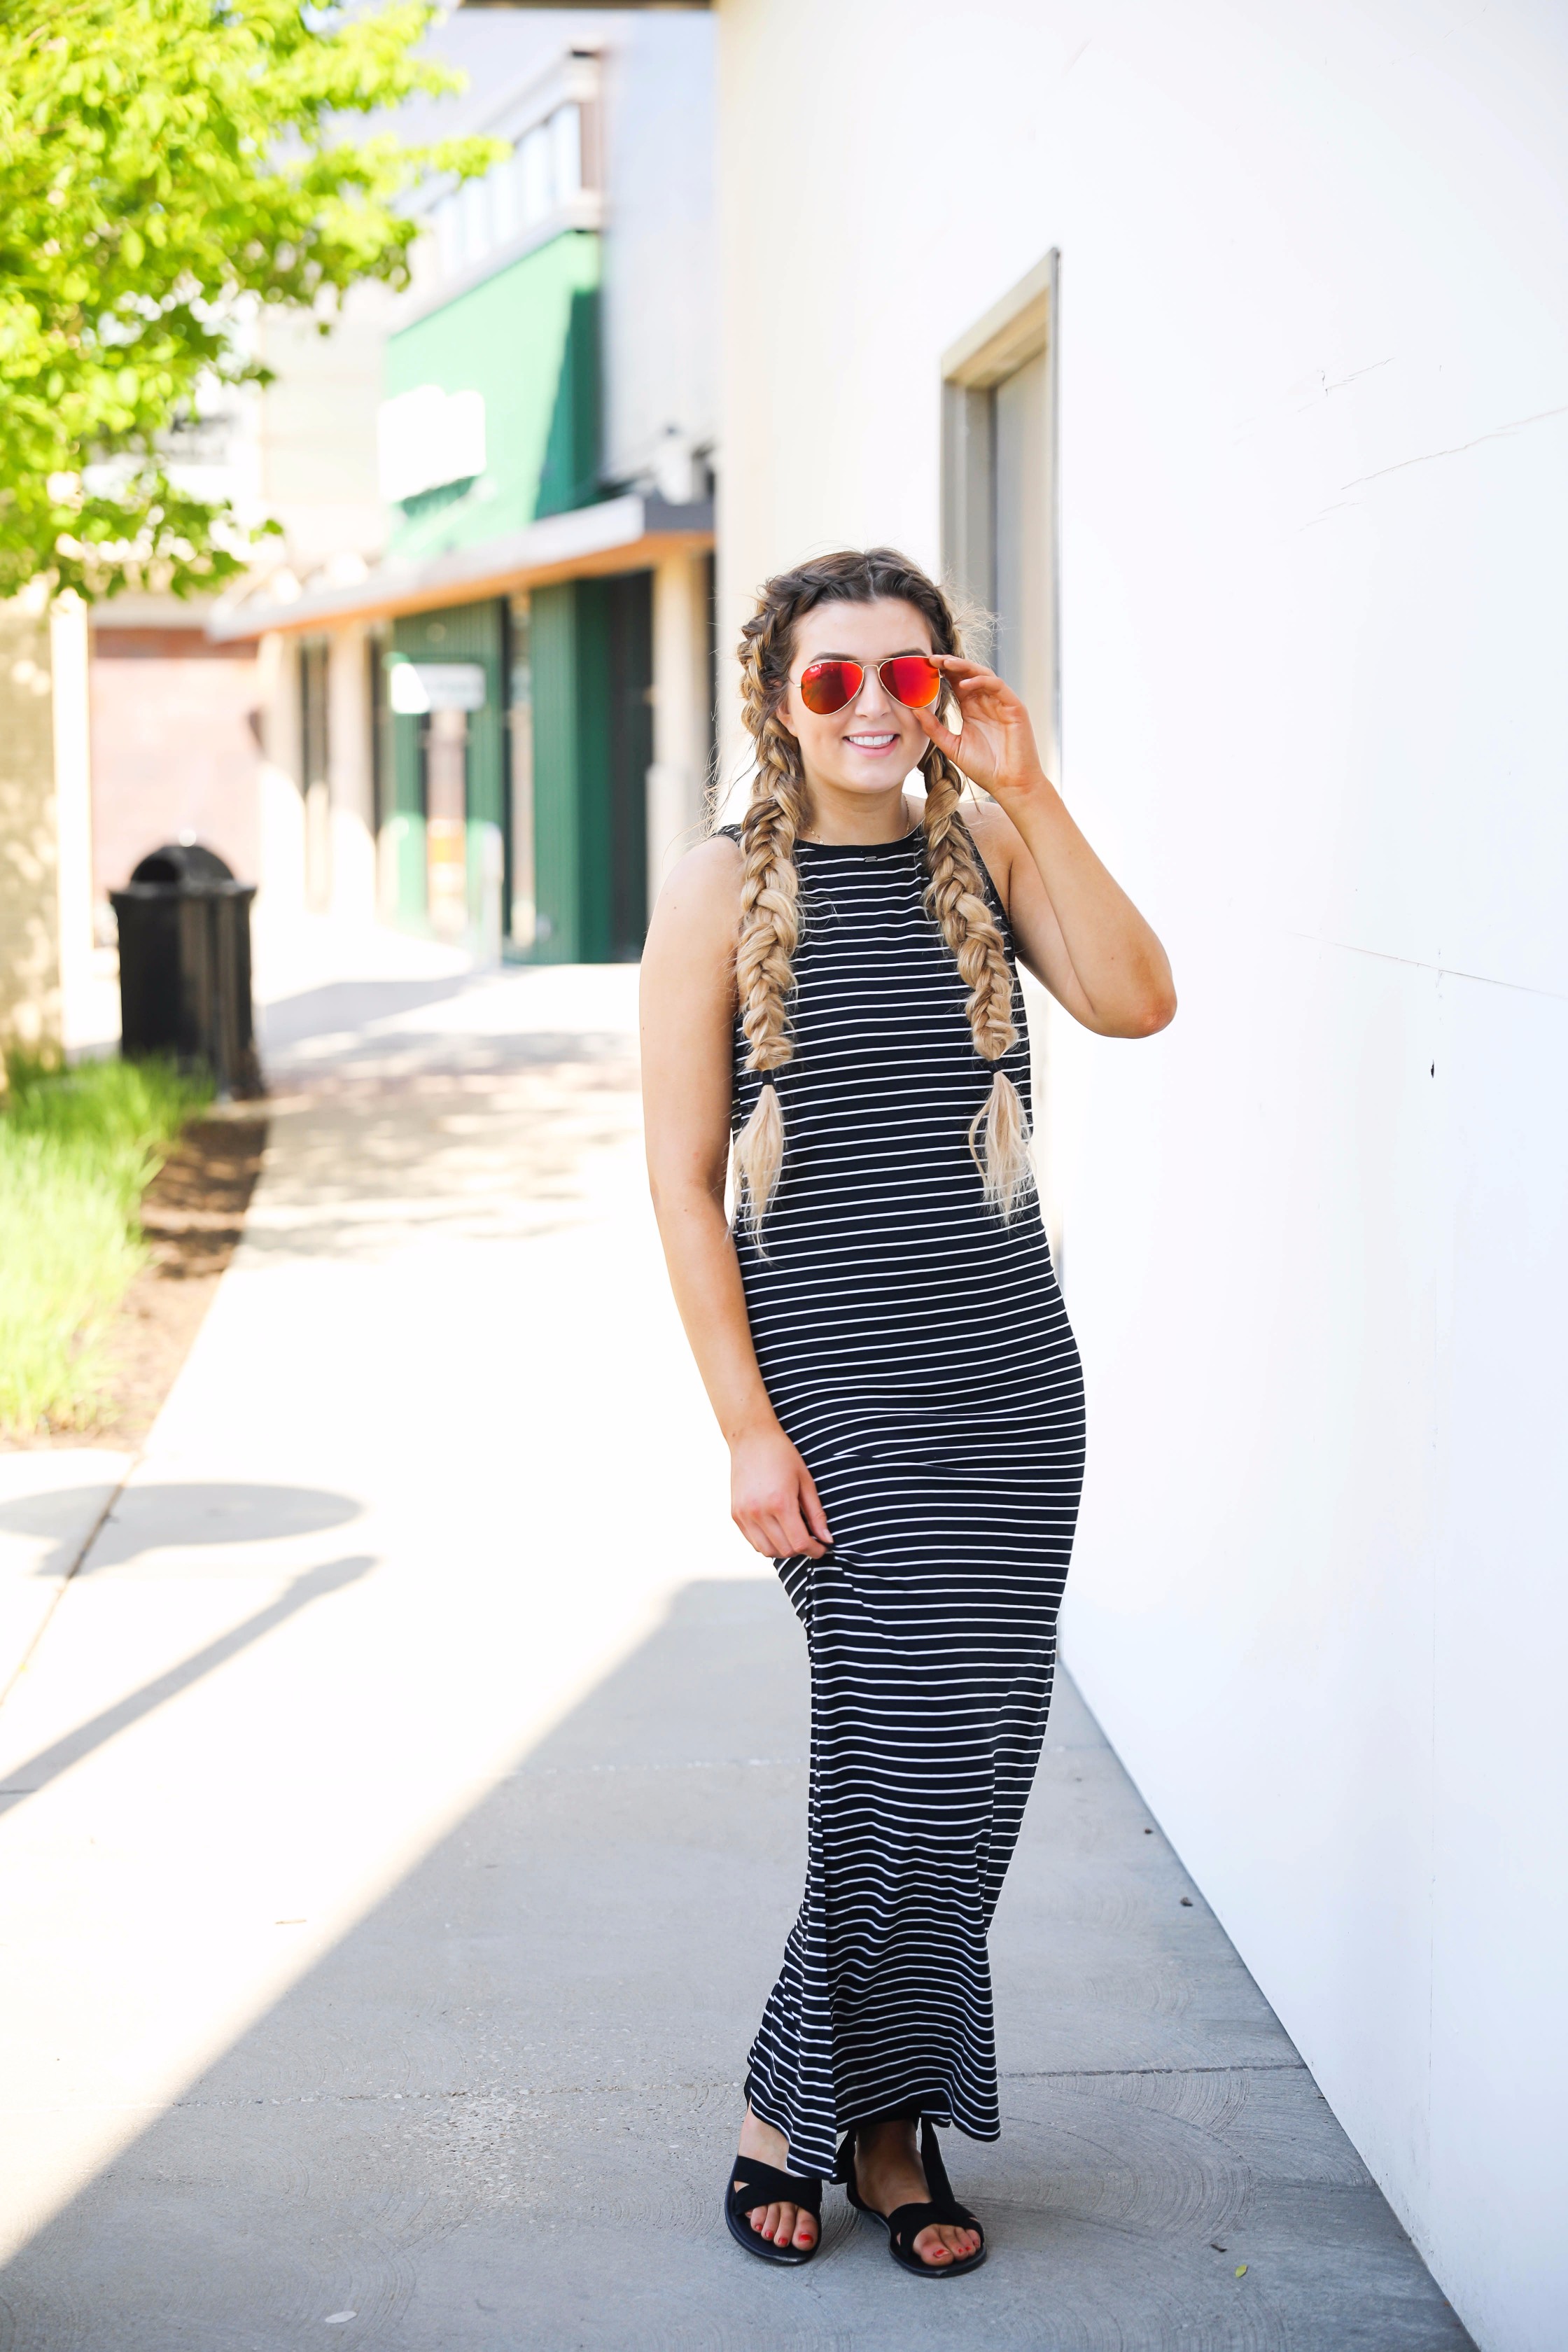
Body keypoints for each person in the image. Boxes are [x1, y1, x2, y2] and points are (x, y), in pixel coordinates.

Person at [639, 547, 1175, 2278]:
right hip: (834, 1389)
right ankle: (814, 2111)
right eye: (832, 679)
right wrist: (743, 1425)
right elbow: (672, 1180)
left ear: (945, 689)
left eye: (908, 675)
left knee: (971, 1774)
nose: (874, 706)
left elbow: (1135, 998)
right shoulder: (720, 890)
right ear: (778, 702)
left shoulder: (990, 847)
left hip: (1011, 1383)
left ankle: (875, 2120)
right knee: (894, 1763)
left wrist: (1033, 788)